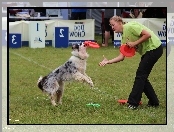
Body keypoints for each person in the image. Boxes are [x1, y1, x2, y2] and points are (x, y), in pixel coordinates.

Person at [99, 16, 163, 110]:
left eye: (113, 24)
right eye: (111, 25)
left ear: (120, 22)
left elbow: (147, 35)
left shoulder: (130, 26)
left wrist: (134, 43)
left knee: (140, 75)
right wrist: (108, 61)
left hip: (154, 48)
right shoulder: (124, 37)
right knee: (142, 76)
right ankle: (154, 102)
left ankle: (133, 103)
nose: (112, 27)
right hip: (148, 51)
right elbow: (121, 57)